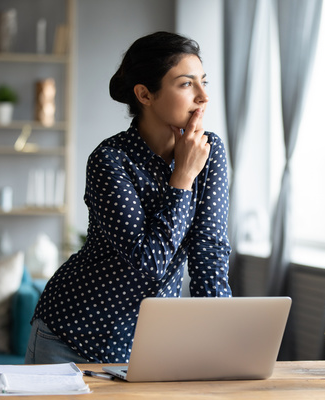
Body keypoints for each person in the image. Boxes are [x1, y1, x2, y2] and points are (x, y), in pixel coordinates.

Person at [25, 31, 232, 364]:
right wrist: (182, 179)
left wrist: (222, 341)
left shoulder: (211, 151)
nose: (203, 96)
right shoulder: (110, 160)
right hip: (72, 334)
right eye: (185, 84)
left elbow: (209, 251)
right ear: (144, 94)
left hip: (148, 343)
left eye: (203, 82)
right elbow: (147, 263)